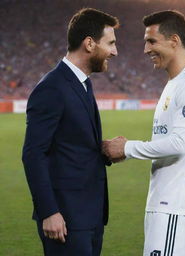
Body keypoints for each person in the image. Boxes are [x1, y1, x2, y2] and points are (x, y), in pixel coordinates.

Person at [103, 10, 185, 256]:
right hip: (164, 201)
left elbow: (180, 143)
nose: (145, 49)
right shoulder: (174, 84)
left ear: (174, 41)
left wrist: (127, 148)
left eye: (151, 41)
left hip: (177, 203)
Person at [22, 8, 119, 256]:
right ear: (89, 44)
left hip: (90, 215)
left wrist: (105, 150)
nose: (114, 51)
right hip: (65, 219)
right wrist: (49, 212)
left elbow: (71, 143)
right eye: (110, 43)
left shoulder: (82, 84)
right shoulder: (52, 87)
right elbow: (33, 154)